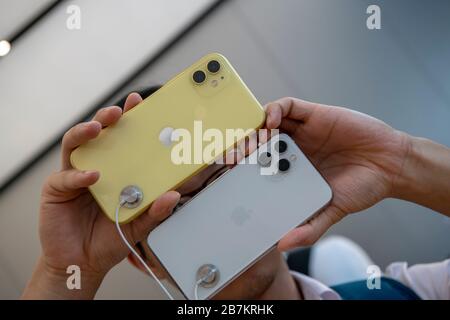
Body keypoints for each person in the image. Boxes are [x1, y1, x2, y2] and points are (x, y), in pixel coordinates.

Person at [21, 91, 450, 299]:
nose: (213, 216)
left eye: (220, 179)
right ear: (139, 257)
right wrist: (64, 274)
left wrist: (400, 162)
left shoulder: (405, 293)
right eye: (170, 212)